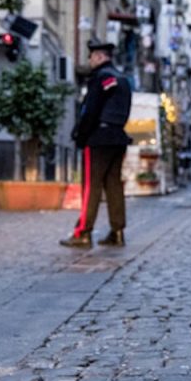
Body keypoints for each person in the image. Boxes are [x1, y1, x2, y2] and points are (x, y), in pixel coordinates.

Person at [59, 38, 132, 249]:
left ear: (99, 57)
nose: (89, 60)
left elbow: (90, 111)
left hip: (98, 138)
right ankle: (117, 232)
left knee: (91, 186)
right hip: (118, 137)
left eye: (91, 56)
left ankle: (83, 232)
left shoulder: (100, 77)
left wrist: (80, 135)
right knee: (113, 184)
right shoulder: (123, 80)